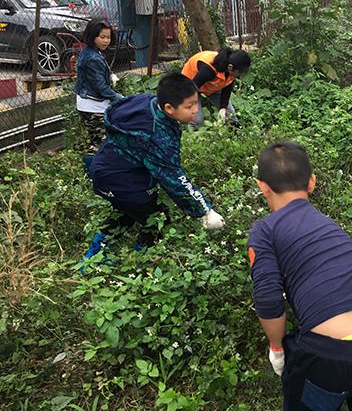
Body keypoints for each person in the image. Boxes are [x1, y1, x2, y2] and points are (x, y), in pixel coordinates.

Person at [248, 141, 352, 410]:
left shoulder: (265, 231)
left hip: (332, 353)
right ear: (312, 182)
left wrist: (277, 348)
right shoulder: (328, 224)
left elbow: (268, 299)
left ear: (262, 186)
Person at [81, 74, 225, 267]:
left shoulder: (149, 102)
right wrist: (205, 211)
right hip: (117, 178)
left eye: (196, 103)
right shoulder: (156, 134)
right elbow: (173, 178)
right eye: (189, 106)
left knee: (127, 212)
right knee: (156, 217)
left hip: (107, 168)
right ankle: (142, 261)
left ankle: (93, 256)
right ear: (169, 108)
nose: (196, 110)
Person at [74, 19, 122, 153]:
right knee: (100, 145)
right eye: (102, 37)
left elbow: (101, 73)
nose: (106, 41)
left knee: (101, 142)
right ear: (92, 36)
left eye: (108, 37)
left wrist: (111, 75)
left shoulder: (92, 52)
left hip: (94, 103)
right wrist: (120, 98)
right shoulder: (92, 58)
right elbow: (101, 87)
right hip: (92, 106)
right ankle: (94, 164)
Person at [181, 47, 251, 128]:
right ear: (230, 67)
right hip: (191, 85)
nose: (241, 75)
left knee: (230, 114)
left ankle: (236, 131)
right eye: (241, 72)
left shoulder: (232, 70)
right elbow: (192, 89)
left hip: (211, 85)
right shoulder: (208, 70)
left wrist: (223, 108)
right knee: (197, 120)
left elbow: (227, 88)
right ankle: (192, 133)